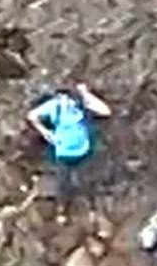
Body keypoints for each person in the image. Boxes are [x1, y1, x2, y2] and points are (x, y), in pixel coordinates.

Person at [26, 83, 113, 214]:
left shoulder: (82, 103)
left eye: (68, 96)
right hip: (64, 151)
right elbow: (32, 115)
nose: (66, 100)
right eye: (62, 96)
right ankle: (62, 208)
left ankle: (90, 208)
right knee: (63, 181)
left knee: (86, 179)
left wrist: (85, 93)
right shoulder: (54, 105)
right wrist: (44, 131)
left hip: (83, 149)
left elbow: (105, 111)